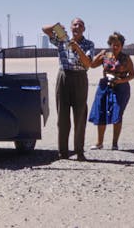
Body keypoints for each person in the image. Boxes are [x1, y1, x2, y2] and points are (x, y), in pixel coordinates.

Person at [42, 18, 94, 161]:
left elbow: (88, 64)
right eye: (75, 24)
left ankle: (79, 151)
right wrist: (55, 25)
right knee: (63, 117)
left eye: (80, 25)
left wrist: (77, 48)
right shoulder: (62, 39)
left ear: (84, 29)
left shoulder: (89, 44)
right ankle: (63, 152)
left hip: (80, 78)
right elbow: (44, 29)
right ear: (71, 27)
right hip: (64, 77)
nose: (77, 27)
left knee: (80, 116)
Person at [88, 32, 134, 150]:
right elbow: (92, 65)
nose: (115, 47)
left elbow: (132, 75)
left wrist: (121, 80)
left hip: (121, 88)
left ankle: (115, 143)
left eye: (118, 45)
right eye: (113, 44)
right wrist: (99, 55)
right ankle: (99, 142)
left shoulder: (126, 58)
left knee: (117, 114)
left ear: (122, 46)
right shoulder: (106, 55)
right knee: (101, 112)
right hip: (105, 86)